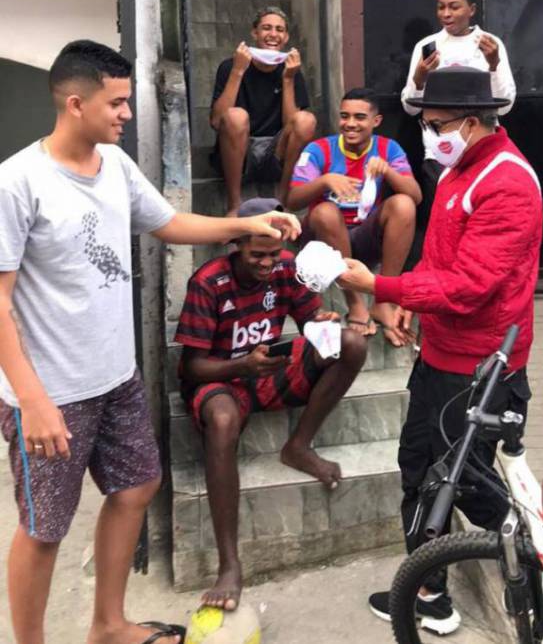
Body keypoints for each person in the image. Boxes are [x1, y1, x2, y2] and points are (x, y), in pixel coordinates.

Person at [0, 41, 301, 644]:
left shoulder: (115, 166)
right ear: (76, 103)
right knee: (44, 528)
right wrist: (31, 398)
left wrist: (246, 223)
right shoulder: (17, 183)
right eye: (116, 103)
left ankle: (108, 625)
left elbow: (168, 223)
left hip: (117, 377)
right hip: (53, 392)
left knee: (137, 486)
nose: (126, 114)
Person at [339, 67, 542, 635]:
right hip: (441, 354)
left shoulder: (507, 183)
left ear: (472, 122)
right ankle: (429, 591)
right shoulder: (459, 169)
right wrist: (415, 301)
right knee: (419, 470)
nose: (428, 136)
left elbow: (470, 285)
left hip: (479, 365)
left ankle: (537, 566)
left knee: (471, 486)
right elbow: (441, 258)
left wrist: (381, 287)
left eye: (434, 125)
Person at [175, 197, 367, 613]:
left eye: (273, 254)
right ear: (237, 245)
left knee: (350, 343)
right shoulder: (208, 282)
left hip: (268, 371)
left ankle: (298, 445)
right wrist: (243, 365)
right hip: (223, 378)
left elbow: (308, 318)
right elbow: (190, 368)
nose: (267, 263)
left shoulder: (285, 269)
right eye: (256, 254)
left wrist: (322, 326)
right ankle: (229, 564)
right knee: (223, 419)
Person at [286, 87, 422, 342]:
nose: (350, 124)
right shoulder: (319, 149)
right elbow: (292, 201)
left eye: (359, 117)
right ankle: (356, 302)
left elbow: (416, 197)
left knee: (403, 204)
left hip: (364, 237)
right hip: (322, 242)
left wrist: (388, 172)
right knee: (326, 211)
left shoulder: (387, 148)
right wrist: (324, 181)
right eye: (344, 116)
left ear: (376, 121)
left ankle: (384, 300)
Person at [401, 0, 516, 213]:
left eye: (454, 7)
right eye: (441, 7)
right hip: (439, 152)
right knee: (444, 218)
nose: (446, 14)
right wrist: (419, 78)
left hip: (483, 148)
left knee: (482, 214)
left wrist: (493, 65)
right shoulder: (427, 46)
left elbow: (505, 106)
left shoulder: (490, 45)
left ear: (471, 9)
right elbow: (410, 108)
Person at [209, 6, 317, 214]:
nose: (273, 35)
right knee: (235, 116)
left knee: (306, 119)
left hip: (275, 153)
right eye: (266, 28)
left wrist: (288, 78)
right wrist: (238, 70)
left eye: (280, 30)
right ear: (254, 33)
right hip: (239, 154)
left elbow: (293, 126)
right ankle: (234, 205)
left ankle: (285, 198)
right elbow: (216, 121)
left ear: (286, 37)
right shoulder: (230, 67)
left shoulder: (292, 70)